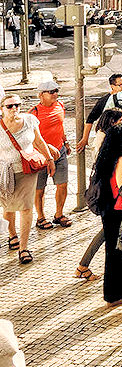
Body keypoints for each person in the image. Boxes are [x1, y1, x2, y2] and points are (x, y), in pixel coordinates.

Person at [1, 92, 55, 265]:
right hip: (4, 173)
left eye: (17, 105)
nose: (14, 109)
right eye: (10, 106)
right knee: (8, 207)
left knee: (25, 207)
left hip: (27, 171)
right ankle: (12, 235)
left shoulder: (30, 120)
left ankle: (24, 248)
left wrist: (50, 159)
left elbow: (39, 141)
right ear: (2, 109)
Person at [89, 118, 122, 307]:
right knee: (121, 255)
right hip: (118, 211)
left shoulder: (107, 155)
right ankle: (117, 295)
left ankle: (113, 294)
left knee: (113, 253)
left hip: (109, 208)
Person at [76, 108, 122, 282]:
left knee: (108, 232)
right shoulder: (104, 139)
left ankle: (84, 265)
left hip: (108, 193)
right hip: (109, 195)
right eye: (121, 121)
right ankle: (83, 266)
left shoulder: (104, 136)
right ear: (112, 122)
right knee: (107, 232)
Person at [31, 80, 71, 230]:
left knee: (63, 184)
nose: (55, 94)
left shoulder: (60, 106)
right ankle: (40, 218)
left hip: (59, 151)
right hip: (40, 155)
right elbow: (31, 138)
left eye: (56, 91)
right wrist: (45, 153)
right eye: (51, 91)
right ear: (41, 95)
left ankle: (59, 214)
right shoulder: (33, 113)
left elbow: (60, 126)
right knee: (40, 188)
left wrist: (65, 143)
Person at [81, 73, 122, 149]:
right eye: (121, 85)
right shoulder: (104, 100)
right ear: (112, 86)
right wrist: (85, 139)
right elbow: (90, 119)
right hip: (109, 138)